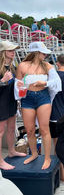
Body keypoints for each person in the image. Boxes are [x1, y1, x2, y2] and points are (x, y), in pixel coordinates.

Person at [15, 41, 61, 170]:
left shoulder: (47, 66)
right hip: (27, 98)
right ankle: (34, 153)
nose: (45, 55)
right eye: (43, 53)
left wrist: (44, 83)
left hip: (43, 97)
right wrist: (20, 87)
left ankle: (47, 157)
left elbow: (57, 82)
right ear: (36, 53)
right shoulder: (22, 66)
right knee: (29, 130)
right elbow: (17, 85)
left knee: (44, 129)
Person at [0, 41, 26, 170]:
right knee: (0, 132)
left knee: (11, 128)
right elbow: (3, 83)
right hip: (1, 103)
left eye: (14, 50)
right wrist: (2, 81)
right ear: (3, 52)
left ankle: (11, 151)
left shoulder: (11, 66)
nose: (13, 52)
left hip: (11, 101)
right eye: (10, 50)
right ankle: (0, 161)